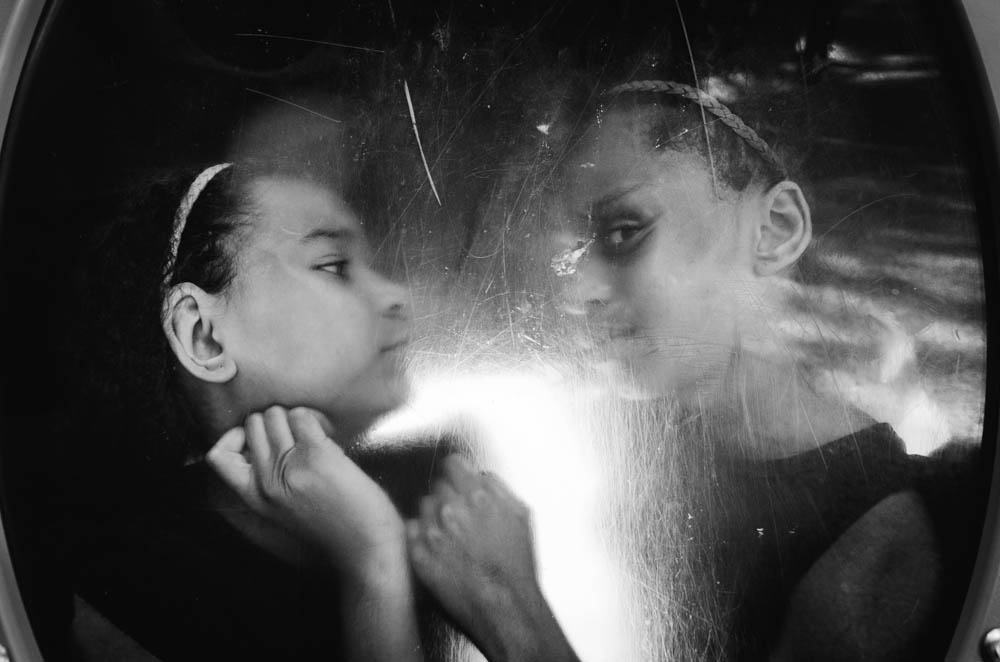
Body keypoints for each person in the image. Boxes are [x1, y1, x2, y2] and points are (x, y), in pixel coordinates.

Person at [403, 81, 984, 662]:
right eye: (573, 252)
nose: (576, 292)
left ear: (776, 229)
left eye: (624, 233)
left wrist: (508, 608)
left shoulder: (873, 550)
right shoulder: (637, 447)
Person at [69, 160, 444, 661]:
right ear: (202, 335)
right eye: (334, 266)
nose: (400, 296)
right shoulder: (119, 614)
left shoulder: (448, 504)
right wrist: (374, 563)